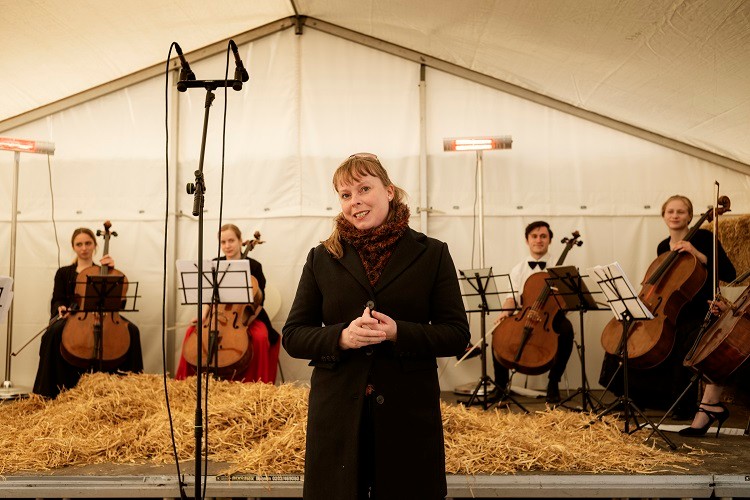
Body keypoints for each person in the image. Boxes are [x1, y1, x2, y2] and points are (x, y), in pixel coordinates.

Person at [283, 153, 470, 500]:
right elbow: (294, 335)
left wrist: (399, 332)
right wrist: (340, 337)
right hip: (338, 415)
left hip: (407, 417)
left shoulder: (432, 253)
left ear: (389, 191)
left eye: (364, 189)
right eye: (345, 194)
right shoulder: (321, 258)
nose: (355, 201)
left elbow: (457, 334)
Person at [601, 195, 736, 420]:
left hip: (697, 309)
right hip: (667, 309)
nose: (675, 216)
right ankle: (632, 397)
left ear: (690, 216)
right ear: (664, 216)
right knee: (629, 332)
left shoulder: (705, 237)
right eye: (670, 211)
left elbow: (729, 274)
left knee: (682, 337)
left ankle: (682, 404)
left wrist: (698, 254)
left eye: (680, 212)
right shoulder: (663, 246)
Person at [33, 227, 143, 398]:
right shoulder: (63, 273)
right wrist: (60, 308)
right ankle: (49, 391)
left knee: (133, 330)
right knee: (52, 333)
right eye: (79, 244)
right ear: (73, 247)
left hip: (104, 315)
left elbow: (119, 303)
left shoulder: (104, 270)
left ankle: (133, 388)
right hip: (74, 316)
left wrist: (112, 273)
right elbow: (57, 299)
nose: (84, 248)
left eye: (87, 243)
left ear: (95, 245)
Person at [175, 224, 280, 383]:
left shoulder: (254, 266)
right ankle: (189, 383)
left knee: (260, 337)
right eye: (223, 242)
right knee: (192, 332)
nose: (227, 245)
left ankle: (256, 385)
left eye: (231, 240)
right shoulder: (215, 264)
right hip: (218, 314)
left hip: (246, 315)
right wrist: (203, 315)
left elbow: (259, 300)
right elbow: (208, 296)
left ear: (240, 241)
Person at [491, 221, 575, 403]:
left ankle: (553, 382)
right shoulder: (518, 269)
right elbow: (511, 297)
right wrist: (504, 313)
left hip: (551, 317)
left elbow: (568, 301)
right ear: (527, 240)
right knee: (499, 331)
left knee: (566, 331)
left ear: (550, 240)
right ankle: (500, 386)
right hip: (525, 314)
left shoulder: (560, 268)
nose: (539, 240)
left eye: (543, 236)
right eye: (534, 236)